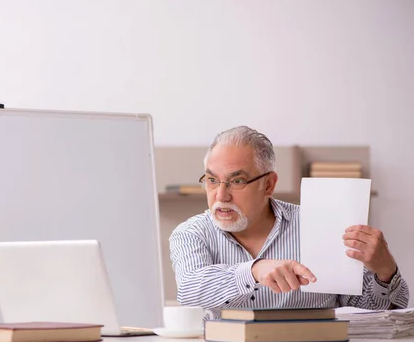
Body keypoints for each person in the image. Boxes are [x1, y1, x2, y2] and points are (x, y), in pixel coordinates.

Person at [169, 126, 409, 319]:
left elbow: (370, 311)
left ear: (269, 185)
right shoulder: (191, 233)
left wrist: (385, 271)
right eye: (212, 180)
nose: (221, 195)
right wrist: (254, 270)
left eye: (238, 180)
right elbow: (191, 293)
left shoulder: (321, 224)